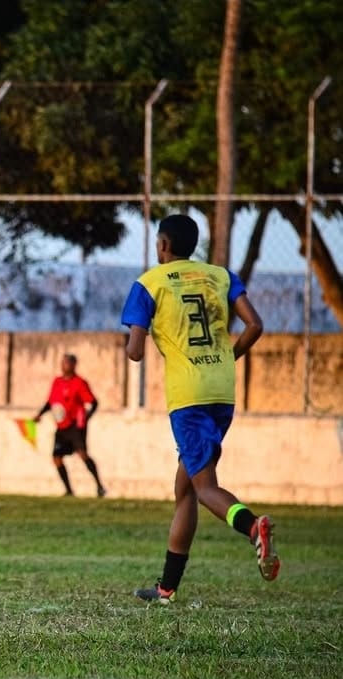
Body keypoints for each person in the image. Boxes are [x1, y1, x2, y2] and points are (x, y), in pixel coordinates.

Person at [121, 213, 278, 604]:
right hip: (223, 392)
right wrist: (228, 358)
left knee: (204, 486)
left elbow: (135, 353)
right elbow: (255, 325)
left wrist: (139, 339)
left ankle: (251, 525)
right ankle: (166, 589)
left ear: (163, 245)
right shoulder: (220, 276)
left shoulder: (149, 283)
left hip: (188, 398)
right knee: (185, 489)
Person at [32, 354, 106, 497]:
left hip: (75, 427)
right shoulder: (57, 382)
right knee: (56, 457)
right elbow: (50, 403)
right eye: (62, 362)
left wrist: (86, 417)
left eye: (66, 363)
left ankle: (99, 486)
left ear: (73, 365)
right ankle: (69, 490)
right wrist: (40, 414)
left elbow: (94, 402)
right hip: (61, 427)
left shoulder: (79, 383)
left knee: (82, 454)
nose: (63, 365)